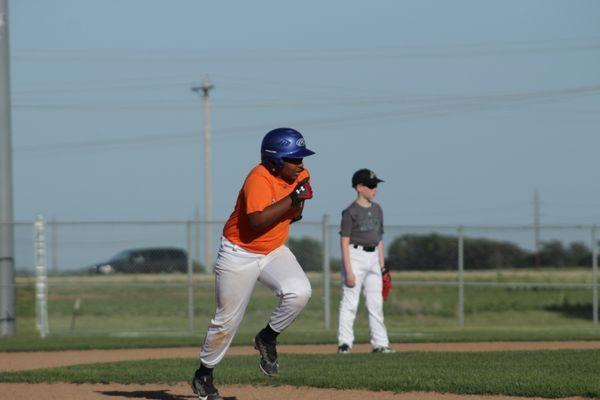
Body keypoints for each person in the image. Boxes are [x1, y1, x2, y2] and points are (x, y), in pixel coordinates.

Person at [191, 127, 315, 400]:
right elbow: (256, 221)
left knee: (299, 292)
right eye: (293, 159)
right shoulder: (257, 179)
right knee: (226, 320)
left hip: (272, 250)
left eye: (301, 158)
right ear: (275, 160)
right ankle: (204, 375)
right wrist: (292, 199)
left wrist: (295, 201)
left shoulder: (301, 175)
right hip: (239, 252)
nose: (300, 164)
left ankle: (267, 338)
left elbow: (296, 215)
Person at [337, 168, 394, 354]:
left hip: (373, 258)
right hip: (355, 256)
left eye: (375, 185)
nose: (374, 189)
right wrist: (349, 271)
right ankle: (344, 344)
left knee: (375, 303)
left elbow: (379, 240)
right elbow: (344, 242)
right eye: (370, 185)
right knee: (350, 302)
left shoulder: (378, 209)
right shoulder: (350, 212)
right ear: (359, 187)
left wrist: (382, 266)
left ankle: (380, 344)